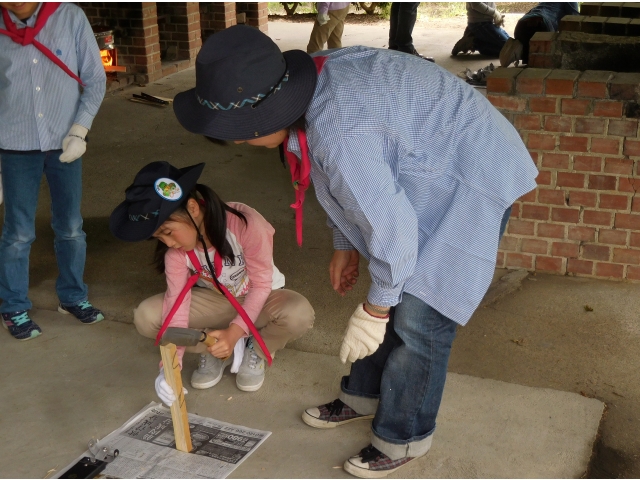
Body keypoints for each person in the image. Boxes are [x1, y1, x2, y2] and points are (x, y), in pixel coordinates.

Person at [172, 25, 538, 478]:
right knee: (392, 289)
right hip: (431, 162)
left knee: (420, 318)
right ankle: (363, 395)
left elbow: (391, 227)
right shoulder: (312, 92)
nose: (240, 144)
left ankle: (405, 435)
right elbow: (339, 184)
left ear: (269, 113)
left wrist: (376, 308)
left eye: (242, 134)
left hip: (472, 176)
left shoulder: (339, 128)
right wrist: (345, 244)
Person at [109, 161, 314, 401]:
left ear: (193, 207)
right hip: (216, 301)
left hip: (261, 297)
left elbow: (260, 286)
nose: (168, 243)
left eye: (168, 231)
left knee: (298, 313)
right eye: (159, 237)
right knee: (147, 317)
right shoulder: (175, 253)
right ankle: (215, 347)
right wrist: (169, 369)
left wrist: (236, 331)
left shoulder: (245, 224)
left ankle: (255, 347)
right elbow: (177, 306)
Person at [0, 2, 106, 341]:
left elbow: (94, 78)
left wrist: (80, 130)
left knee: (71, 226)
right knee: (17, 232)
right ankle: (13, 305)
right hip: (14, 145)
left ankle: (73, 297)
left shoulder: (70, 17)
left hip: (65, 142)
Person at [500, 2, 579, 67]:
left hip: (521, 26)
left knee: (532, 59)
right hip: (541, 26)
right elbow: (575, 21)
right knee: (544, 61)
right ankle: (520, 52)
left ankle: (520, 47)